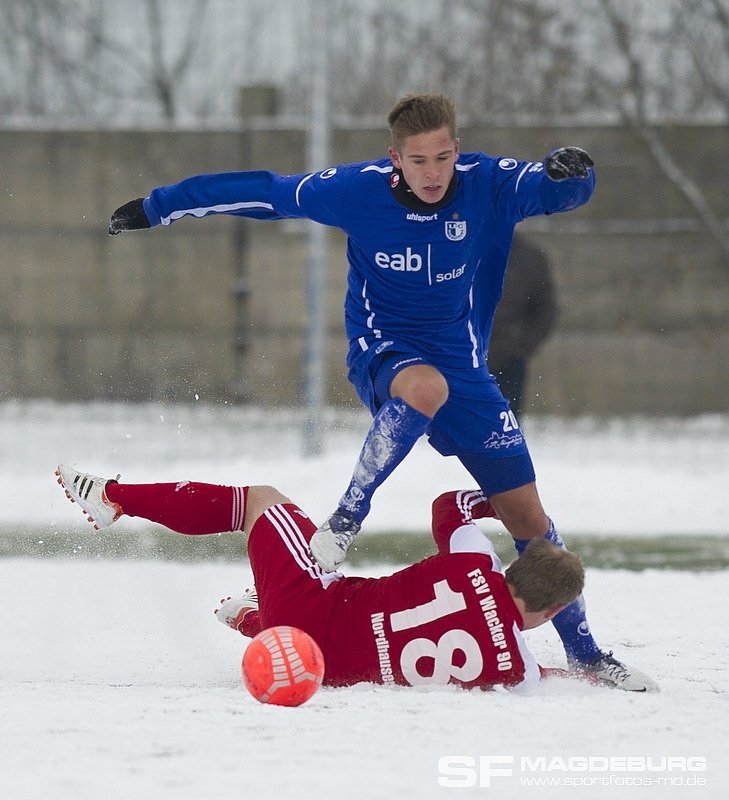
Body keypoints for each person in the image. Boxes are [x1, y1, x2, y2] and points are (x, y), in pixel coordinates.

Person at [106, 92, 642, 686]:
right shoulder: (355, 191)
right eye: (419, 161)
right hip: (386, 352)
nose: (433, 173)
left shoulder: (489, 182)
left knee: (532, 523)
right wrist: (160, 207)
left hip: (467, 371)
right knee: (423, 386)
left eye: (443, 157)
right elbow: (269, 192)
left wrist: (577, 172)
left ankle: (589, 656)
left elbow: (559, 188)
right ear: (395, 159)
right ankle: (345, 517)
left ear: (456, 150)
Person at [55, 463, 655, 692]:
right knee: (365, 617)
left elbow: (448, 508)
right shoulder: (517, 669)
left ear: (516, 566)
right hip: (327, 671)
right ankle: (254, 617)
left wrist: (508, 505)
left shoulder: (477, 561)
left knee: (260, 501)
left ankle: (114, 498)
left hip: (316, 613)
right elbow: (545, 676)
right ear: (549, 616)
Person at [484, 234, 558, 417]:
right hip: (465, 357)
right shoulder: (465, 249)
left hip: (509, 361)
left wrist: (521, 346)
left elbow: (545, 308)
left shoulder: (530, 257)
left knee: (507, 424)